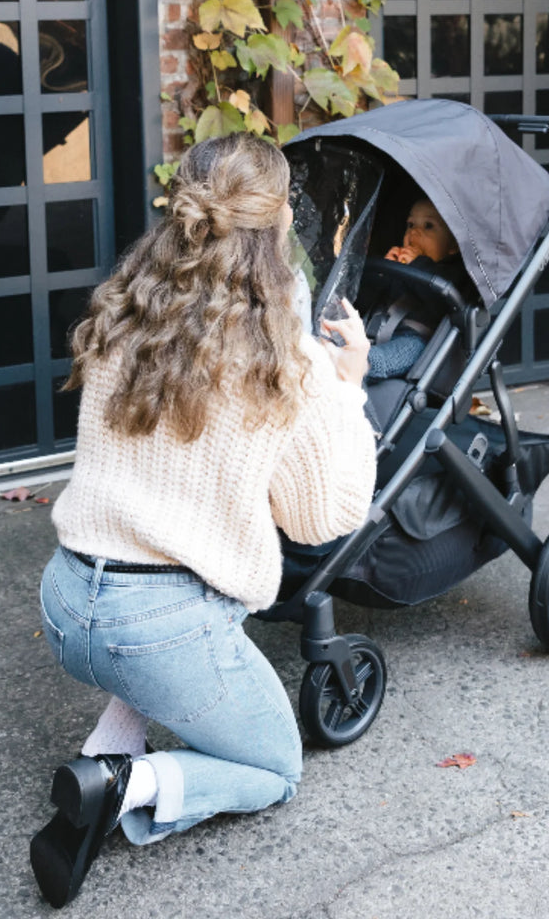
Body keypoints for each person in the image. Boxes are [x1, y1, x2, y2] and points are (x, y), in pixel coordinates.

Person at [31, 132, 377, 909]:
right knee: (275, 771)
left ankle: (106, 750)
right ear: (283, 218)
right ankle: (126, 783)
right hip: (157, 629)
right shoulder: (282, 352)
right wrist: (348, 385)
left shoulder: (128, 304)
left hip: (66, 600)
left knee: (175, 586)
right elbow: (326, 516)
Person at [366, 198, 465, 380]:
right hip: (374, 329)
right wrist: (383, 272)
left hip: (416, 339)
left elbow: (439, 304)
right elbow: (365, 300)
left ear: (453, 245)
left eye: (428, 226)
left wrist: (417, 265)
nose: (414, 232)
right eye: (410, 224)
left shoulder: (450, 275)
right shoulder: (398, 264)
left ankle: (367, 364)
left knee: (396, 354)